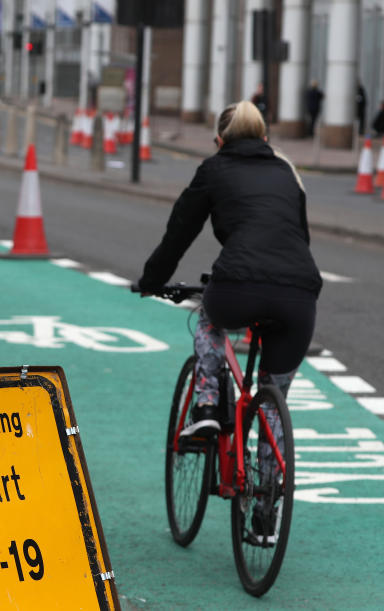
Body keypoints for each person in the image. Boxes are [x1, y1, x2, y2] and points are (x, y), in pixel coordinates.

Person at [137, 100, 321, 439]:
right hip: (299, 296)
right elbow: (301, 238)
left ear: (219, 141)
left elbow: (180, 232)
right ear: (265, 140)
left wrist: (152, 281)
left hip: (239, 286)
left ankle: (206, 406)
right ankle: (271, 487)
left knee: (209, 318)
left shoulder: (214, 169)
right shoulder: (288, 173)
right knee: (273, 404)